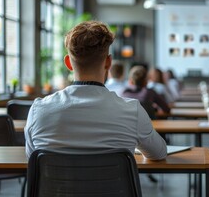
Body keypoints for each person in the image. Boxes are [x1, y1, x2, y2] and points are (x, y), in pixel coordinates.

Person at [24, 21, 167, 161]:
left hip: (55, 186)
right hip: (112, 186)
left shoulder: (38, 110)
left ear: (68, 63)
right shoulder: (132, 111)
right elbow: (159, 153)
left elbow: (32, 158)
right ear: (108, 62)